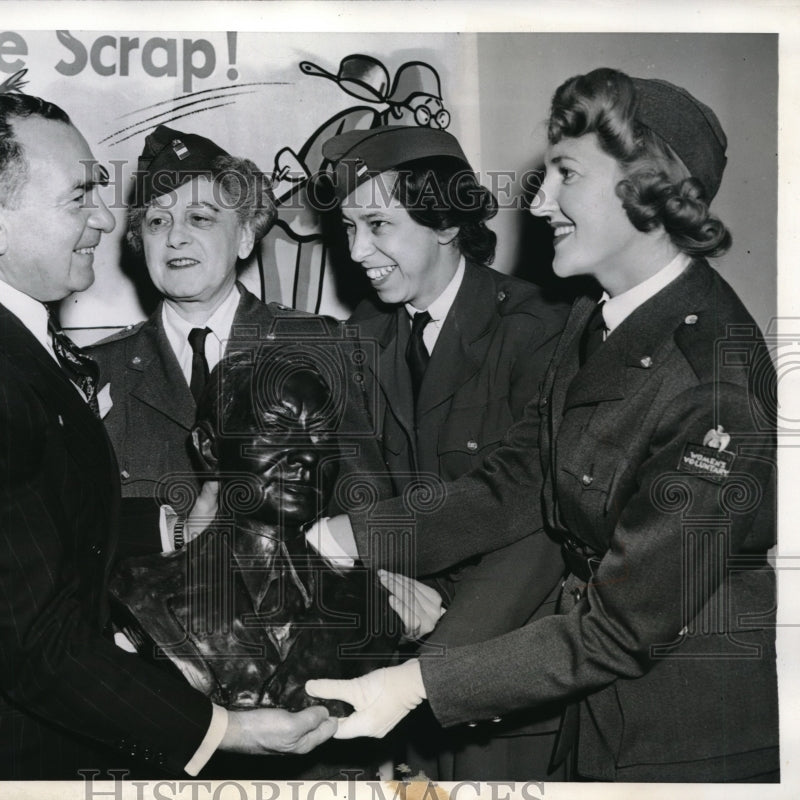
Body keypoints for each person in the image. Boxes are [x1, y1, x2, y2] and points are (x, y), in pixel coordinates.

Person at [307, 68, 779, 782]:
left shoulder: (710, 383)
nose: (538, 198)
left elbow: (622, 627)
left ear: (646, 190)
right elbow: (516, 482)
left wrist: (416, 685)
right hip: (597, 716)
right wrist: (348, 536)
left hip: (683, 737)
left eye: (565, 174)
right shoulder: (596, 317)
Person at [0, 91, 335, 780]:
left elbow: (22, 521)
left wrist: (171, 525)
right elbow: (38, 647)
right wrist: (224, 729)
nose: (107, 221)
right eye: (79, 197)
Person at [318, 125, 570, 779]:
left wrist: (434, 667)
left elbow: (540, 511)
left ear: (446, 221)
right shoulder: (356, 342)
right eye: (347, 228)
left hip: (506, 679)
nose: (357, 252)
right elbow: (359, 487)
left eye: (377, 225)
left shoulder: (543, 330)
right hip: (396, 665)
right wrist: (383, 590)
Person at [89, 125, 388, 559]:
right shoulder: (98, 370)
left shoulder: (320, 346)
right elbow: (71, 524)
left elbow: (367, 504)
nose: (175, 237)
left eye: (201, 218)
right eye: (157, 222)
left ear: (246, 235)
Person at [109, 349, 401, 716]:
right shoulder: (143, 590)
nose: (309, 456)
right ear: (210, 448)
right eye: (277, 429)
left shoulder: (368, 602)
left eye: (322, 435)